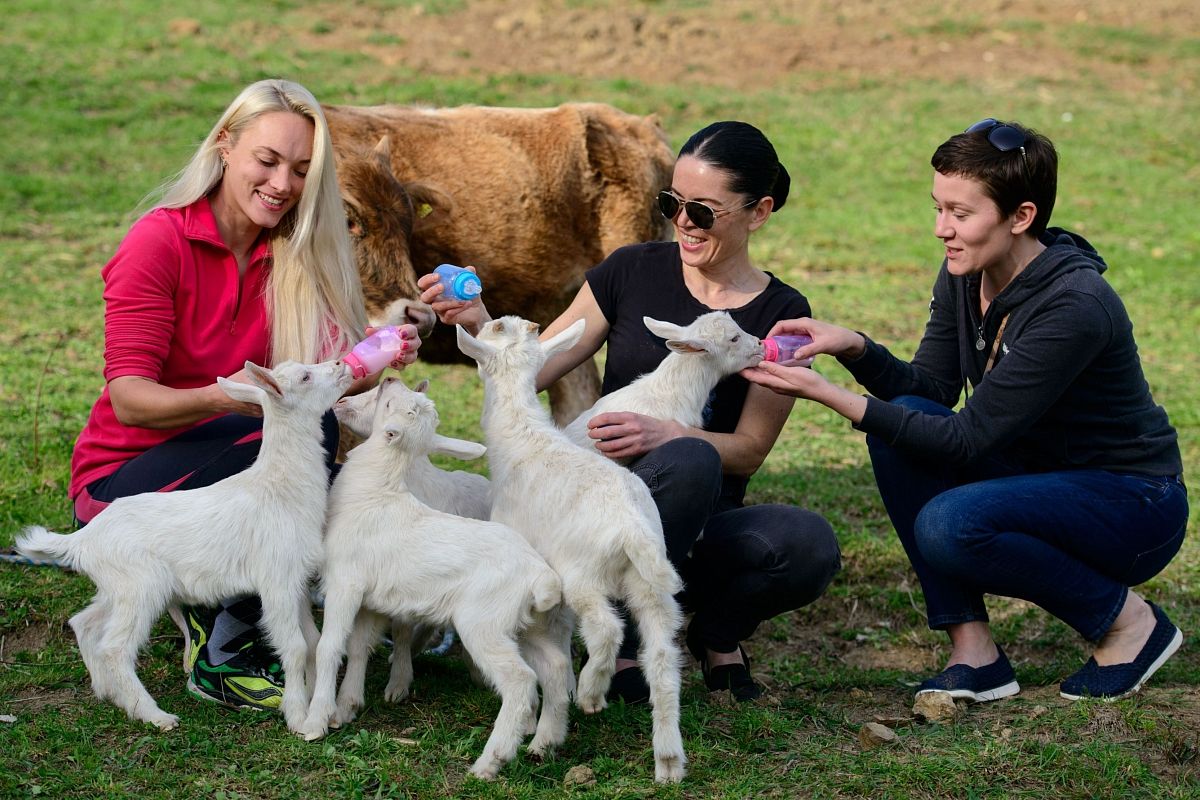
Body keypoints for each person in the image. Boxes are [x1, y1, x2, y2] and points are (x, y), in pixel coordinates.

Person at [742, 118, 1188, 702]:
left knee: (950, 524)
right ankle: (975, 653)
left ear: (1020, 217)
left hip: (1132, 505)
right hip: (1039, 477)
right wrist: (853, 344)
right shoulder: (967, 269)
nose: (941, 229)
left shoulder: (1075, 306)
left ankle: (1130, 625)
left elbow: (964, 440)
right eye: (938, 207)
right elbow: (929, 387)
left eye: (960, 213)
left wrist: (830, 395)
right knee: (900, 418)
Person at [419, 121, 841, 703]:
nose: (683, 223)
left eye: (704, 211)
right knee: (685, 459)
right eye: (671, 203)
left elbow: (749, 448)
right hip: (598, 511)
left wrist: (669, 432)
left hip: (698, 517)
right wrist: (479, 320)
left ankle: (715, 632)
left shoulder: (782, 311)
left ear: (758, 211)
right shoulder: (632, 269)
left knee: (806, 542)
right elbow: (534, 367)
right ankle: (619, 641)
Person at [68, 79, 421, 712]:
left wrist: (384, 349)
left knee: (314, 456)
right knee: (283, 445)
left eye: (301, 171)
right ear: (225, 146)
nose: (282, 184)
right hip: (124, 492)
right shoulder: (159, 242)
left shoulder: (289, 253)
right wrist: (225, 398)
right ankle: (225, 646)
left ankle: (349, 604)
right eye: (267, 160)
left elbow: (320, 379)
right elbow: (129, 399)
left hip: (232, 455)